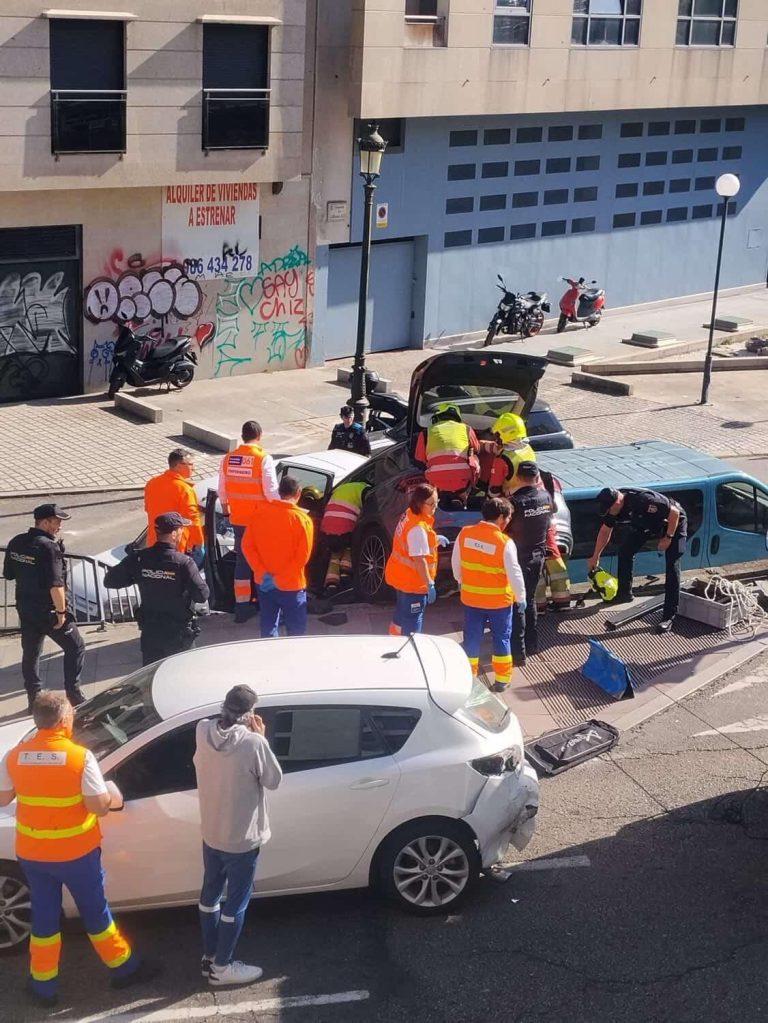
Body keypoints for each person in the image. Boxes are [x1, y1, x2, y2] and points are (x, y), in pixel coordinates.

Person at [0, 692, 157, 1007]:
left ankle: (43, 986)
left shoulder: (14, 756)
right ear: (64, 720)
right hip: (76, 854)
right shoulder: (79, 757)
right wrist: (110, 796)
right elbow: (99, 807)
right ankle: (124, 968)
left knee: (44, 918)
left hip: (33, 854)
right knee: (96, 914)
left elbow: (3, 798)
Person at [194, 684, 282, 988]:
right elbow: (273, 779)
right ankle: (222, 966)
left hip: (212, 833)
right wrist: (261, 738)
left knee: (210, 895)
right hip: (242, 839)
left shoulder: (202, 730)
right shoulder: (252, 744)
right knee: (237, 902)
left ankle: (209, 953)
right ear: (250, 714)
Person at [2, 503, 86, 713]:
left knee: (31, 653)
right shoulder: (49, 547)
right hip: (48, 611)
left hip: (26, 608)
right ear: (45, 522)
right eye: (57, 522)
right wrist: (61, 613)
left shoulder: (16, 542)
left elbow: (9, 573)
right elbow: (56, 585)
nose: (59, 526)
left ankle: (34, 699)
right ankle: (74, 695)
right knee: (76, 647)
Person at [104, 512, 209, 665]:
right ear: (174, 534)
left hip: (151, 632)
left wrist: (140, 575)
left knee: (152, 676)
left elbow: (110, 581)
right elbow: (202, 595)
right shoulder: (184, 563)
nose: (182, 532)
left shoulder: (139, 559)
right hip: (177, 633)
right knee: (182, 674)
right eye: (181, 529)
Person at [451, 497, 526, 693]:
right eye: (508, 517)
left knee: (472, 639)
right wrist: (521, 598)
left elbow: (456, 564)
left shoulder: (465, 534)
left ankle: (468, 677)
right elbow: (514, 573)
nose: (508, 521)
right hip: (498, 602)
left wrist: (460, 580)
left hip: (471, 599)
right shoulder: (504, 542)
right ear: (501, 517)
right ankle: (501, 680)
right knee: (501, 638)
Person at [588, 488, 688, 633]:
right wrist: (595, 556)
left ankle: (669, 616)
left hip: (674, 524)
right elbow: (605, 530)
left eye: (610, 509)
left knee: (672, 565)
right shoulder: (615, 507)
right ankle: (624, 594)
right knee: (625, 551)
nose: (610, 512)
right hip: (647, 523)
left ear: (617, 501)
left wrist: (668, 538)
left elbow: (674, 513)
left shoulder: (645, 500)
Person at [219, 421, 280, 623]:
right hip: (260, 522)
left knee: (242, 564)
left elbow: (223, 491)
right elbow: (271, 492)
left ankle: (242, 607)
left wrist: (228, 513)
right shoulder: (263, 459)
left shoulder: (228, 459)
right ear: (259, 436)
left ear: (242, 436)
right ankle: (267, 604)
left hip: (238, 521)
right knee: (264, 563)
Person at [241, 476, 314, 638]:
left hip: (264, 583)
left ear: (279, 493)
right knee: (296, 633)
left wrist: (263, 572)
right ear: (298, 493)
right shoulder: (303, 520)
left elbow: (247, 546)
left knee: (268, 627)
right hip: (292, 586)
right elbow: (302, 557)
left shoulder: (259, 514)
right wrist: (280, 578)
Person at [507, 461, 554, 662]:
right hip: (538, 556)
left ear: (517, 477)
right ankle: (532, 644)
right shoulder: (546, 497)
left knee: (516, 601)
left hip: (516, 558)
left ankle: (518, 651)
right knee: (530, 600)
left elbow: (503, 527)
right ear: (537, 478)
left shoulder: (515, 502)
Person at [384, 483, 443, 637]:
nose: (435, 507)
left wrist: (434, 539)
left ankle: (393, 641)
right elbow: (419, 560)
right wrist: (429, 583)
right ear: (419, 503)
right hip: (414, 583)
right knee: (413, 620)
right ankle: (410, 651)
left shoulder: (409, 514)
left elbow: (409, 544)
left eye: (437, 502)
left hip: (402, 578)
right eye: (431, 504)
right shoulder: (418, 528)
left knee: (401, 616)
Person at [144, 448, 205, 566]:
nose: (194, 468)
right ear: (178, 466)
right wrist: (199, 542)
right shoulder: (184, 489)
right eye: (191, 464)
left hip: (153, 540)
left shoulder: (152, 483)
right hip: (175, 545)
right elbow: (192, 520)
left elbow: (148, 509)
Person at [414, 403, 480, 508]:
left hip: (436, 483)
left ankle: (434, 500)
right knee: (474, 457)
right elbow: (477, 449)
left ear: (437, 418)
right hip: (462, 482)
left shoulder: (426, 433)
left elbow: (419, 458)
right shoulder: (467, 429)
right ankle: (465, 495)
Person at [319, 480, 370, 591]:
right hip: (344, 530)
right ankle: (345, 579)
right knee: (348, 548)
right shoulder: (365, 489)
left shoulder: (341, 488)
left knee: (335, 555)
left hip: (326, 531)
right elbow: (370, 509)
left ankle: (331, 585)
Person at [488, 413, 537, 497]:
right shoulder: (528, 448)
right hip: (530, 494)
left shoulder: (502, 459)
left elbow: (494, 489)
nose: (496, 438)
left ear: (503, 435)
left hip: (510, 500)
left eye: (497, 435)